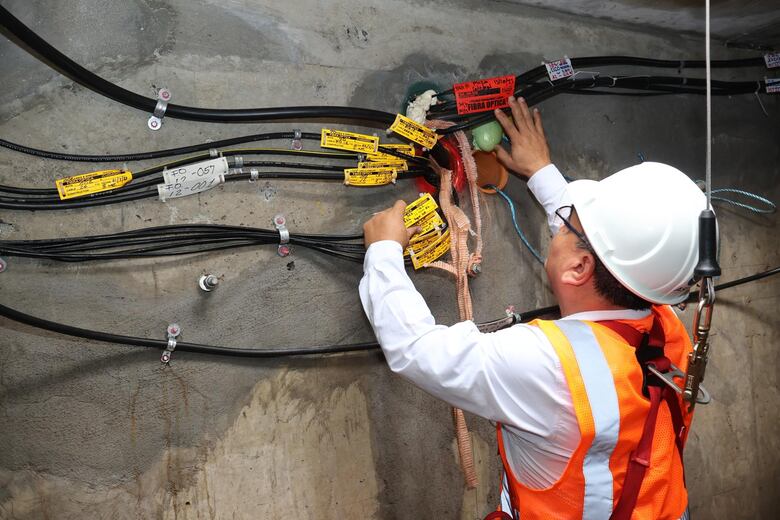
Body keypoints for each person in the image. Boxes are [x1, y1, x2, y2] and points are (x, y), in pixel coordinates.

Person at [360, 96, 706, 519]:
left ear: (579, 268)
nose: (560, 222)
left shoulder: (547, 365)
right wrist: (542, 173)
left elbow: (416, 349)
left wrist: (382, 253)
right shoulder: (668, 328)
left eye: (570, 221)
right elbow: (607, 253)